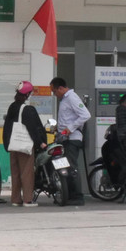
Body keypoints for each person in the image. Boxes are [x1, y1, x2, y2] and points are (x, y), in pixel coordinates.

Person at [3, 81, 45, 207]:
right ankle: (28, 200)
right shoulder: (27, 109)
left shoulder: (12, 107)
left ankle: (15, 199)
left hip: (13, 145)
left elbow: (7, 126)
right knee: (27, 173)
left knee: (15, 172)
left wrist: (7, 144)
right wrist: (40, 143)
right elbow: (33, 129)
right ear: (27, 94)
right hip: (24, 146)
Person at [49, 77, 90, 206]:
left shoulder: (72, 97)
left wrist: (69, 128)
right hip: (65, 138)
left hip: (72, 139)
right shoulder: (65, 99)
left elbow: (85, 115)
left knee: (71, 168)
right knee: (65, 167)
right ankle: (68, 196)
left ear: (61, 88)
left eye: (54, 91)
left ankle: (77, 197)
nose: (54, 94)